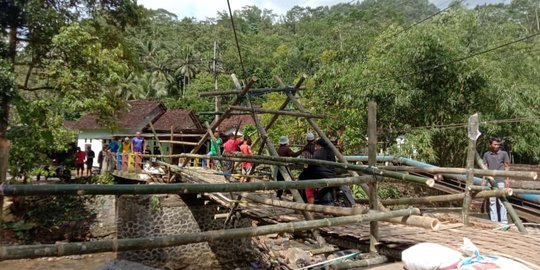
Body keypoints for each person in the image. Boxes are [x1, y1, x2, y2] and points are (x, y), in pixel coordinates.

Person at [299, 138, 337, 203]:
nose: (315, 147)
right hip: (332, 174)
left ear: (319, 145)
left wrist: (306, 168)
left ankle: (310, 205)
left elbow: (311, 166)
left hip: (321, 175)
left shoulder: (318, 153)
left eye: (316, 146)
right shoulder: (331, 153)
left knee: (308, 184)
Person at [482, 137, 510, 224]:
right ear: (490, 144)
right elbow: (485, 168)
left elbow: (507, 167)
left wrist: (507, 179)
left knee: (502, 201)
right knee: (492, 201)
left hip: (501, 180)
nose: (497, 146)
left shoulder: (504, 154)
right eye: (495, 144)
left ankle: (504, 222)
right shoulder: (486, 155)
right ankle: (494, 222)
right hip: (490, 180)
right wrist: (483, 180)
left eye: (498, 144)